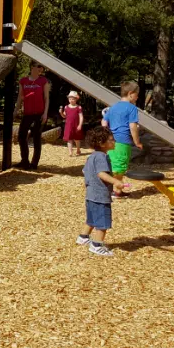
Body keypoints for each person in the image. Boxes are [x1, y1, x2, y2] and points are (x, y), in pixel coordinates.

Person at [77, 126, 127, 256]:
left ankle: (83, 237)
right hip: (100, 195)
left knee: (92, 219)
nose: (114, 142)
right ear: (102, 143)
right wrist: (116, 181)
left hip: (90, 194)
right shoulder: (101, 157)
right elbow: (101, 174)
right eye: (111, 140)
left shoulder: (92, 156)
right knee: (103, 222)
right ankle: (97, 245)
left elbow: (85, 171)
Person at [102, 82, 143, 196]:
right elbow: (132, 126)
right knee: (120, 166)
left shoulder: (113, 107)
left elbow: (104, 122)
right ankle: (115, 191)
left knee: (112, 163)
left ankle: (116, 190)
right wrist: (137, 142)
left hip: (110, 140)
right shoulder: (132, 108)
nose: (137, 97)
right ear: (130, 94)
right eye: (136, 94)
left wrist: (106, 135)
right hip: (123, 140)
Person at [15, 61, 50, 170]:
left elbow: (46, 98)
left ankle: (34, 163)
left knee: (36, 138)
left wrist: (45, 113)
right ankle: (24, 161)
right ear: (32, 67)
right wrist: (15, 110)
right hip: (27, 114)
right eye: (39, 66)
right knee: (21, 137)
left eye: (42, 67)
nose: (41, 69)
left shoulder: (43, 81)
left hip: (39, 114)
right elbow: (20, 97)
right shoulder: (23, 81)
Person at [61, 90, 84, 157]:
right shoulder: (66, 107)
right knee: (69, 139)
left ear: (76, 99)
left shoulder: (78, 107)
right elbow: (64, 116)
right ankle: (70, 152)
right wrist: (61, 113)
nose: (71, 100)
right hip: (68, 126)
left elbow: (81, 117)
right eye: (70, 99)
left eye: (73, 99)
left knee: (77, 139)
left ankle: (78, 149)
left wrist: (80, 125)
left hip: (76, 126)